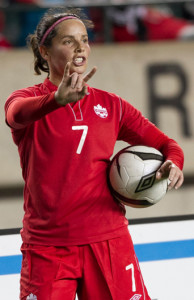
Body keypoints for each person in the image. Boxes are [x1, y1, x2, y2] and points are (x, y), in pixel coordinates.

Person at [4, 7, 184, 300]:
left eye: (84, 39)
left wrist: (173, 164)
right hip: (48, 247)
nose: (80, 47)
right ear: (44, 51)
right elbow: (14, 115)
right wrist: (55, 100)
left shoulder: (112, 106)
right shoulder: (27, 99)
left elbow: (168, 146)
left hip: (109, 241)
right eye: (68, 41)